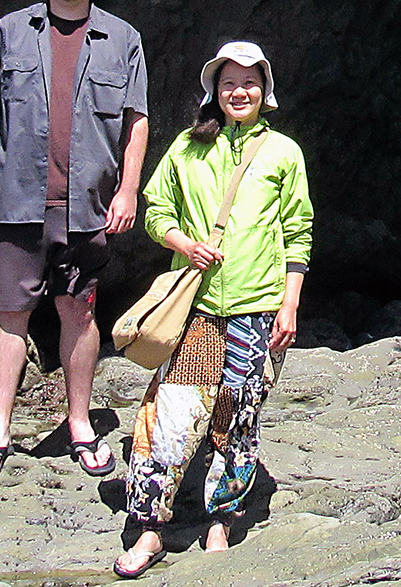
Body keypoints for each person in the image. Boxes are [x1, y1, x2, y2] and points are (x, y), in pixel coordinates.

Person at [0, 0, 148, 483]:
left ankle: (80, 423)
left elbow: (137, 120)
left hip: (86, 206)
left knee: (79, 312)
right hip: (12, 202)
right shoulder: (11, 32)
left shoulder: (123, 38)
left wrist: (129, 189)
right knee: (8, 314)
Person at [113, 41, 313, 579]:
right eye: (229, 82)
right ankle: (149, 527)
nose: (239, 91)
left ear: (265, 90)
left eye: (250, 81)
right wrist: (184, 243)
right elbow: (156, 211)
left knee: (236, 418)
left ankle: (219, 521)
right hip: (197, 309)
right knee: (169, 416)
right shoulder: (187, 146)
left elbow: (298, 235)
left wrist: (289, 306)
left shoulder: (283, 153)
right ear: (214, 90)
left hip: (257, 308)